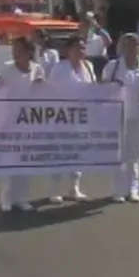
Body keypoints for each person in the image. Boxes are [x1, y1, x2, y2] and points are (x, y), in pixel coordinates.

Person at [102, 33, 139, 203]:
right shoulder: (113, 66)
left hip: (138, 117)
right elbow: (101, 89)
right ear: (123, 47)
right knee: (119, 155)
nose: (132, 49)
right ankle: (118, 190)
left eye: (135, 45)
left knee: (135, 155)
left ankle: (133, 189)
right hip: (117, 118)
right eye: (128, 45)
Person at [0, 36, 43, 213]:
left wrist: (41, 86)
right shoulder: (7, 70)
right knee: (8, 161)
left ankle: (21, 198)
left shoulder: (37, 69)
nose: (15, 53)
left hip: (30, 122)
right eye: (14, 50)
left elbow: (44, 94)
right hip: (9, 122)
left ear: (28, 52)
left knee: (25, 162)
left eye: (19, 50)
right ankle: (6, 198)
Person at [46, 35, 94, 203]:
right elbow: (50, 91)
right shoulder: (59, 68)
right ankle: (55, 190)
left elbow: (93, 90)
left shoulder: (88, 66)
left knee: (78, 154)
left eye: (83, 47)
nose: (81, 51)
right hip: (63, 117)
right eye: (77, 47)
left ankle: (74, 188)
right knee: (60, 153)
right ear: (69, 50)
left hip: (81, 117)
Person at [81, 14, 112, 80]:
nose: (86, 27)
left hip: (99, 69)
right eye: (84, 24)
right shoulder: (78, 41)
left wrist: (97, 27)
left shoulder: (99, 39)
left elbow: (109, 42)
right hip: (84, 70)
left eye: (88, 25)